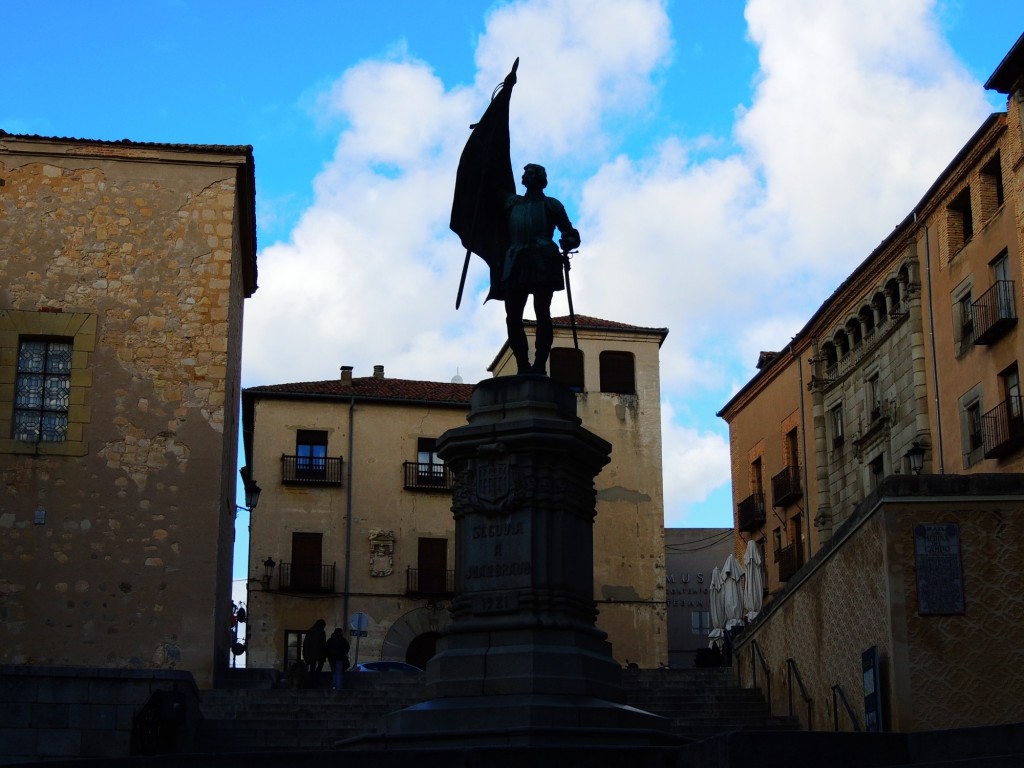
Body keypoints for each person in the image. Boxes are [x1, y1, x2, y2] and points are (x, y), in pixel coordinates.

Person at [498, 164, 580, 375]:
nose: (527, 176)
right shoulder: (511, 204)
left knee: (542, 312)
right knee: (512, 315)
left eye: (532, 173)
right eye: (525, 173)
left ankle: (540, 364)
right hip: (515, 260)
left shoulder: (552, 205)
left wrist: (568, 241)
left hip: (543, 259)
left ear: (541, 178)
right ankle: (522, 364)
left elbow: (570, 233)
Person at [301, 618, 327, 688]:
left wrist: (305, 654)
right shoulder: (321, 632)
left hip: (310, 653)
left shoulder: (310, 631)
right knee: (319, 666)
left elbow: (306, 644)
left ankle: (313, 681)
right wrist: (324, 653)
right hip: (318, 653)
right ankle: (315, 680)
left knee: (312, 668)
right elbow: (323, 644)